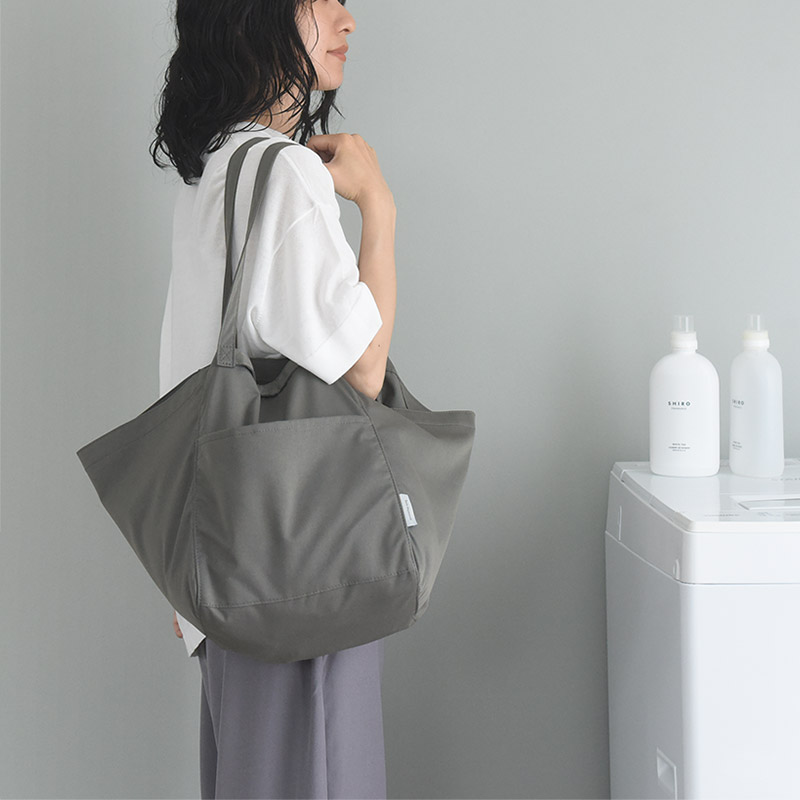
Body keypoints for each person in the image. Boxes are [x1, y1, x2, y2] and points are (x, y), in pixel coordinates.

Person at [150, 1, 397, 796]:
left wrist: (183, 571)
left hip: (230, 581)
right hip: (300, 587)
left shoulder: (219, 168)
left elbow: (187, 377)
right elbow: (365, 367)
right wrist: (379, 208)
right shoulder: (284, 174)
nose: (347, 20)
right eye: (322, 0)